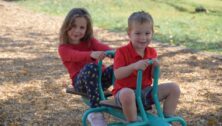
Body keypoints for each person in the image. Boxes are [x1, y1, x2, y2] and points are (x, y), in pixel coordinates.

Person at [112, 11, 181, 123]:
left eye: (147, 33)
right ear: (129, 34)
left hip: (145, 93)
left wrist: (156, 67)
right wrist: (133, 66)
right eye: (138, 33)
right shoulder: (121, 52)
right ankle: (133, 122)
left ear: (152, 33)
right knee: (128, 94)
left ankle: (167, 120)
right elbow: (117, 74)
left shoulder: (151, 51)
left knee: (174, 88)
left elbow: (154, 76)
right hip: (124, 94)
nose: (143, 37)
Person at [58, 8, 113, 126]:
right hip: (81, 83)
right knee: (91, 67)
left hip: (99, 80)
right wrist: (91, 54)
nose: (77, 30)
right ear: (66, 26)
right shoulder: (63, 48)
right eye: (73, 26)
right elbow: (76, 56)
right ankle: (95, 114)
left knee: (119, 66)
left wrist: (117, 54)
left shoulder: (90, 41)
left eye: (82, 27)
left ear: (87, 29)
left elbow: (102, 47)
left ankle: (126, 100)